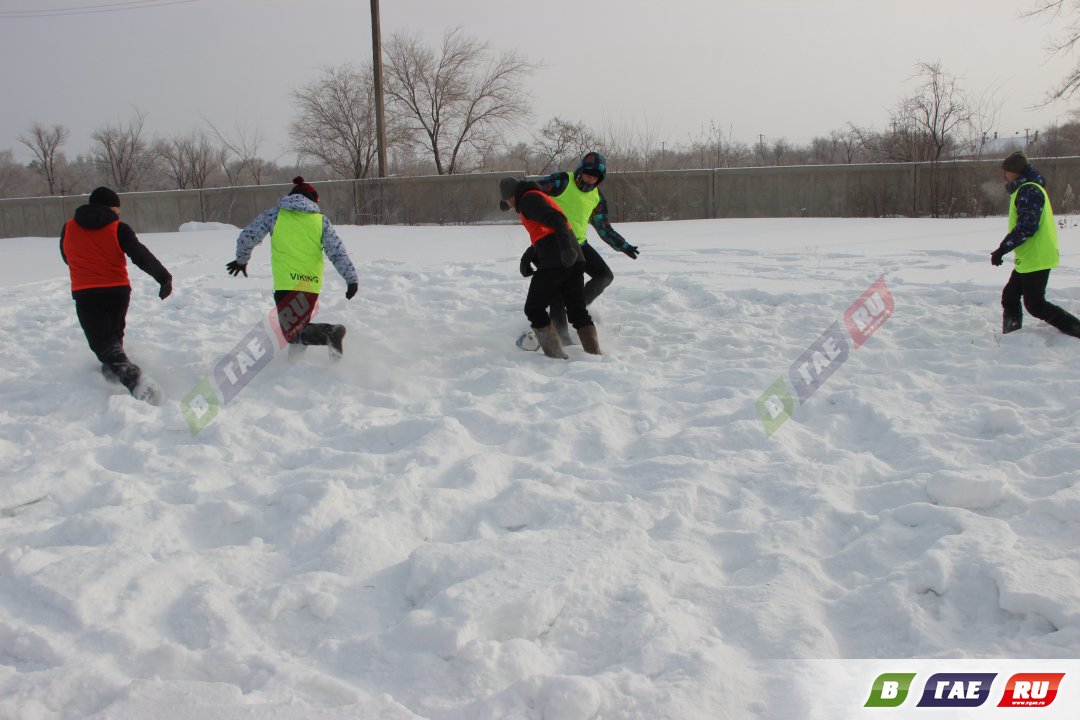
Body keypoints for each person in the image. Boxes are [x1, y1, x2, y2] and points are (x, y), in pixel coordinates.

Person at [226, 176, 359, 360]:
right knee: (299, 328)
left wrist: (241, 260)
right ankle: (293, 366)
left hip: (287, 283)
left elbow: (247, 237)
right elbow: (337, 252)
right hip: (310, 285)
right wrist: (351, 279)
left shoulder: (275, 214)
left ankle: (331, 333)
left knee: (292, 332)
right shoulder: (320, 221)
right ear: (313, 200)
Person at [60, 186, 172, 403]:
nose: (119, 213)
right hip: (117, 291)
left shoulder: (69, 227)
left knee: (102, 342)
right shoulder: (118, 227)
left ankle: (135, 380)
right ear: (111, 207)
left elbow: (66, 256)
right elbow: (140, 255)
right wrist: (163, 277)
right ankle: (112, 374)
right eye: (117, 209)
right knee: (112, 338)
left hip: (86, 291)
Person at [529, 151, 639, 343]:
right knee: (557, 293)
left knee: (605, 275)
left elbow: (603, 227)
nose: (590, 179)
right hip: (553, 244)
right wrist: (515, 198)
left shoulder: (597, 197)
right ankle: (562, 339)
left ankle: (575, 305)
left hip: (579, 244)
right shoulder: (562, 182)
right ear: (580, 171)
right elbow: (533, 191)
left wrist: (623, 246)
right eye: (587, 174)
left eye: (595, 177)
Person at [500, 176, 601, 358]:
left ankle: (555, 357)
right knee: (577, 310)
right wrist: (528, 257)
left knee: (534, 309)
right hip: (575, 258)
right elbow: (544, 231)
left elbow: (557, 220)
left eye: (508, 201)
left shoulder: (528, 199)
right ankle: (594, 355)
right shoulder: (535, 196)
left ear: (511, 196)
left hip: (557, 258)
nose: (511, 206)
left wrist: (564, 249)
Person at [991, 151, 1080, 338]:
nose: (1003, 176)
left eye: (1006, 171)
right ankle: (1012, 337)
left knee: (1036, 305)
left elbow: (1027, 226)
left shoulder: (1029, 190)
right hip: (1029, 257)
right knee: (1010, 297)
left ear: (1015, 172)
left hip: (1037, 257)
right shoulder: (1024, 189)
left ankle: (1076, 328)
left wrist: (1002, 248)